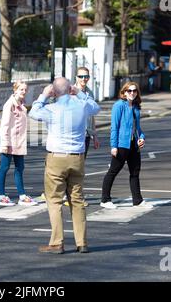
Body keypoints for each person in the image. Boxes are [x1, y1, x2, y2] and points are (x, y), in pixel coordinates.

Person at [29, 77, 100, 254]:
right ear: (71, 89)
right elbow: (96, 107)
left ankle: (57, 243)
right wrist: (80, 93)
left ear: (54, 92)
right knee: (76, 200)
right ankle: (82, 242)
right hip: (77, 158)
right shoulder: (81, 106)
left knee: (54, 201)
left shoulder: (50, 109)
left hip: (56, 158)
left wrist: (43, 95)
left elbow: (33, 112)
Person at [100, 82, 153, 210]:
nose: (132, 93)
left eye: (134, 91)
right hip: (122, 144)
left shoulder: (136, 107)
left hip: (133, 145)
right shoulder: (118, 106)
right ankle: (105, 199)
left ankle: (137, 200)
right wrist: (114, 146)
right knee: (113, 171)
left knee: (135, 172)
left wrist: (141, 138)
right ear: (124, 92)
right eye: (129, 91)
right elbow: (114, 127)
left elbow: (138, 128)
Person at [63, 67, 100, 207]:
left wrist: (95, 135)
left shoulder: (89, 92)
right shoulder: (70, 92)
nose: (84, 79)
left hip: (86, 134)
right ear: (76, 77)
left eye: (86, 77)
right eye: (81, 76)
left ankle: (73, 196)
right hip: (73, 134)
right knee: (71, 166)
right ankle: (70, 197)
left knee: (80, 167)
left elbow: (92, 115)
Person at [0, 81, 38, 207]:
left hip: (19, 142)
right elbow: (5, 125)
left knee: (20, 168)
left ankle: (22, 195)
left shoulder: (21, 104)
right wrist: (5, 143)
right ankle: (1, 196)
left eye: (25, 90)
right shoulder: (10, 104)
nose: (24, 92)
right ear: (15, 90)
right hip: (10, 142)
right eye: (21, 89)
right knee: (4, 168)